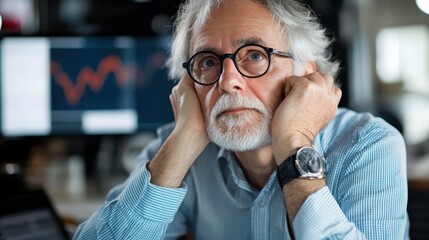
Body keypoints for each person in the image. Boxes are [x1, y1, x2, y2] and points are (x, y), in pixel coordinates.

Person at [73, 0, 409, 239]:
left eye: (254, 56)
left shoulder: (368, 145)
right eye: (207, 61)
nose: (227, 81)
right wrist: (181, 143)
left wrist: (294, 143)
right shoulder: (179, 147)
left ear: (305, 76)